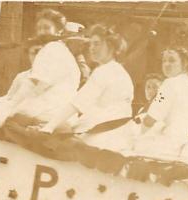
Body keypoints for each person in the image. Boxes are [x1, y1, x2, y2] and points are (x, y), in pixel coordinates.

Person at [41, 24, 134, 152]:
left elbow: (77, 103)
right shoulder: (120, 71)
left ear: (110, 46)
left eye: (97, 44)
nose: (92, 48)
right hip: (119, 138)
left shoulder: (104, 71)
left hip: (102, 138)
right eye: (90, 44)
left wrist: (49, 127)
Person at [0, 9, 80, 127]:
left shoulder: (52, 48)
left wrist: (8, 109)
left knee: (2, 108)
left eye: (46, 28)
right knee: (3, 104)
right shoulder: (62, 50)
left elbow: (33, 84)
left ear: (59, 30)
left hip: (50, 111)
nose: (42, 32)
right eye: (39, 28)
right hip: (62, 113)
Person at [131, 47, 188, 162]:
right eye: (164, 61)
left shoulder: (169, 84)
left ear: (184, 64)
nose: (166, 64)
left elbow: (150, 118)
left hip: (170, 147)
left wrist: (137, 136)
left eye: (172, 60)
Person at [0, 43, 43, 121]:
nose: (36, 57)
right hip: (18, 111)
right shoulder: (21, 76)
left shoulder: (51, 78)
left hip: (38, 113)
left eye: (40, 53)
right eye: (32, 54)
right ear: (28, 55)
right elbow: (10, 96)